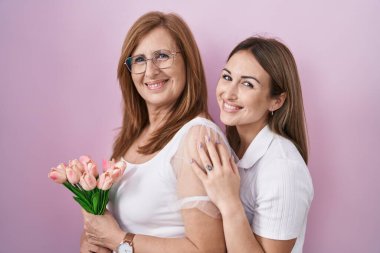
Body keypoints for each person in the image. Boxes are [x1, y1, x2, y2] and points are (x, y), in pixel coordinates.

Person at [80, 11, 229, 253]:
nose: (150, 71)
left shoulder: (198, 138)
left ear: (187, 62)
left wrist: (119, 240)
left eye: (162, 56)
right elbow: (106, 233)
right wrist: (92, 240)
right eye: (139, 60)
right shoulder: (130, 138)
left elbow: (208, 250)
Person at [191, 37, 314, 253]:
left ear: (276, 101)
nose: (228, 93)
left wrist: (229, 202)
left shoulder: (283, 169)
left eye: (247, 84)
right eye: (227, 77)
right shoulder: (229, 145)